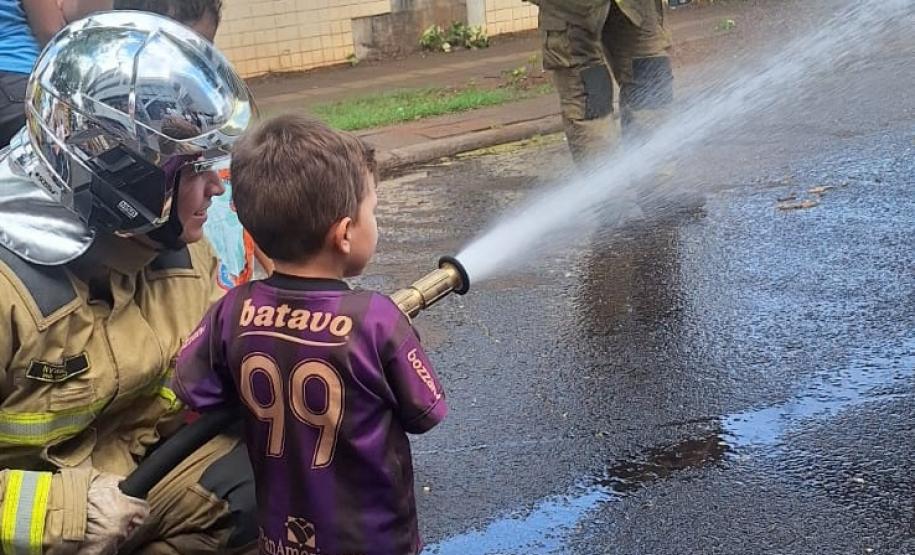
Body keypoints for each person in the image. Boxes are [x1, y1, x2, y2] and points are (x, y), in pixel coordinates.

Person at [0, 12, 259, 555]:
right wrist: (62, 513)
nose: (216, 186)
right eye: (193, 168)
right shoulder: (8, 293)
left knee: (271, 477)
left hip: (131, 487)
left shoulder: (178, 252)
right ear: (125, 176)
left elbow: (216, 358)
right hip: (41, 525)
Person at [173, 115, 448, 555]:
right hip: (374, 542)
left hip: (278, 539)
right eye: (372, 211)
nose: (375, 222)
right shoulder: (377, 319)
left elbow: (195, 389)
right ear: (343, 234)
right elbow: (426, 412)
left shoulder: (232, 309)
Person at [530, 0, 676, 164]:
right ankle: (608, 181)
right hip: (573, 10)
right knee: (591, 96)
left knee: (651, 81)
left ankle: (659, 182)